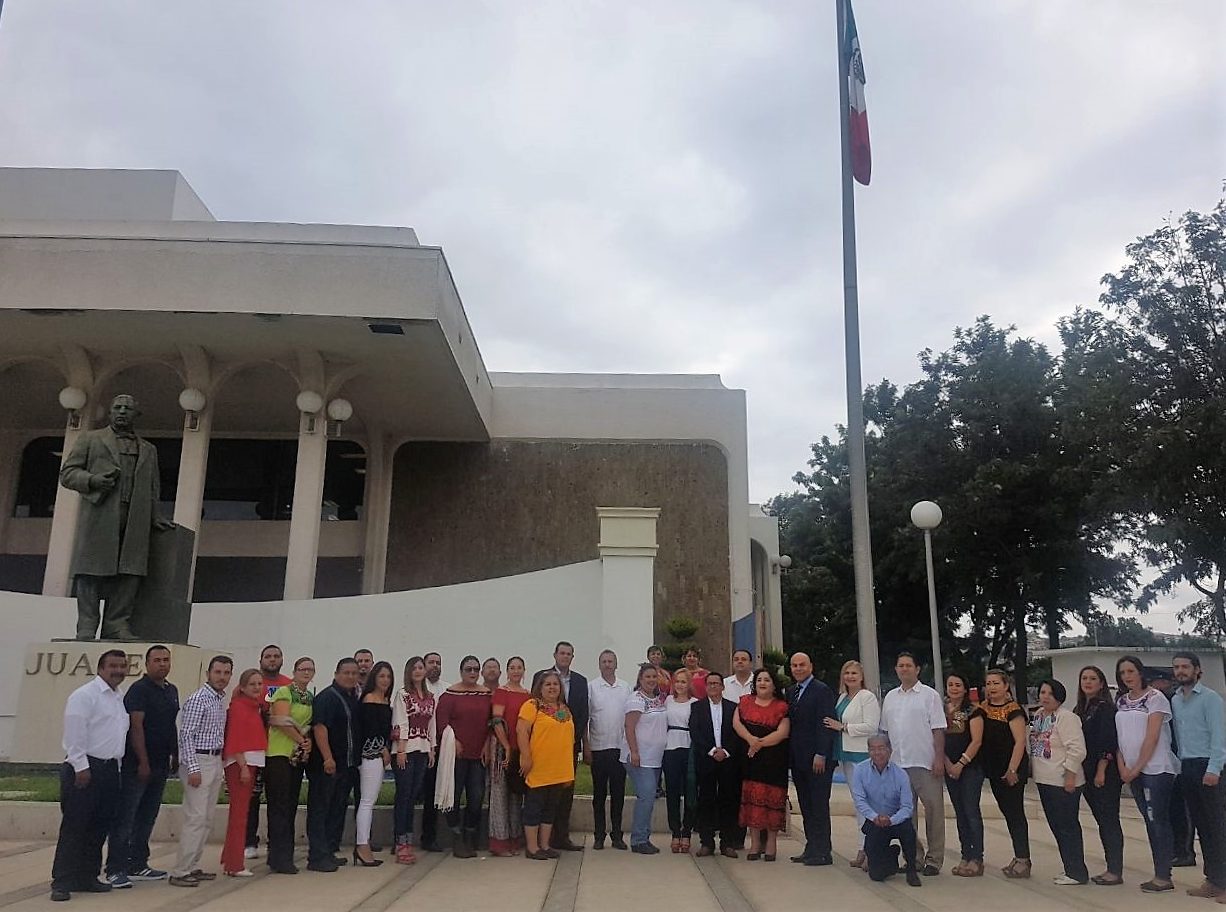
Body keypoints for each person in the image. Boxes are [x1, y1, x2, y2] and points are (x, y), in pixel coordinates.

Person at [58, 394, 174, 640]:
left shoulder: (148, 449)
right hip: (102, 514)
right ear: (110, 413)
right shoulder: (91, 439)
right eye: (117, 408)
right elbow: (68, 473)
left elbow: (154, 488)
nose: (122, 411)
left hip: (136, 517)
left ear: (136, 415)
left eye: (128, 408)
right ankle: (87, 625)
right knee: (90, 571)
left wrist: (155, 516)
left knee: (130, 572)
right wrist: (92, 480)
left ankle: (117, 624)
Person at [50, 649, 130, 902]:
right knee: (75, 826)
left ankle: (87, 877)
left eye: (122, 666)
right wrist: (81, 767)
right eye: (112, 666)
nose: (118, 670)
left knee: (99, 827)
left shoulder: (118, 697)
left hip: (109, 769)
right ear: (101, 668)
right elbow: (75, 733)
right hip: (84, 769)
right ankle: (62, 882)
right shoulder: (85, 696)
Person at [105, 644, 178, 888]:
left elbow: (170, 726)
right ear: (147, 664)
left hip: (160, 765)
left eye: (166, 660)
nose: (162, 664)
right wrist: (143, 762)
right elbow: (136, 726)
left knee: (147, 817)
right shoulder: (139, 690)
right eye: (157, 660)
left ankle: (138, 863)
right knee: (126, 818)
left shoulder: (171, 690)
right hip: (137, 766)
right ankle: (115, 868)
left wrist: (174, 756)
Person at [1116, 654, 1182, 893]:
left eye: (1131, 671)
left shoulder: (1156, 699)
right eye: (1123, 673)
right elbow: (1120, 738)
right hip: (1133, 771)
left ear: (1140, 672)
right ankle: (1159, 872)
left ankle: (1164, 875)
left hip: (1155, 768)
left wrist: (1136, 768)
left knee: (1158, 821)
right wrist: (1123, 766)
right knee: (1148, 820)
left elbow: (1152, 737)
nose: (1127, 677)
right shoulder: (1122, 701)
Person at [879, 652, 946, 876]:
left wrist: (938, 758)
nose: (904, 669)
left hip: (925, 763)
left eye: (909, 665)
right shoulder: (890, 697)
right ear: (896, 670)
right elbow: (885, 733)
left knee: (934, 812)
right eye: (901, 666)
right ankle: (913, 857)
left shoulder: (930, 695)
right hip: (898, 765)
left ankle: (934, 860)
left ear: (918, 669)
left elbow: (938, 729)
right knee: (906, 815)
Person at [170, 655, 233, 888]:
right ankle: (180, 870)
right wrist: (193, 768)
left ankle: (193, 865)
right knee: (195, 818)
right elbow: (186, 735)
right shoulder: (199, 699)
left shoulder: (218, 700)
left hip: (215, 760)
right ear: (208, 673)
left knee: (206, 818)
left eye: (226, 673)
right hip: (199, 759)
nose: (222, 677)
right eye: (218, 672)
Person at [1170, 652, 1226, 900]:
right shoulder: (1176, 700)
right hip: (1187, 768)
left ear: (1197, 670)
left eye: (1185, 666)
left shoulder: (1211, 699)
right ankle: (1213, 880)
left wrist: (1214, 769)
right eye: (1177, 667)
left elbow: (1219, 737)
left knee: (1218, 828)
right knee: (1202, 828)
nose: (1181, 671)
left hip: (1209, 767)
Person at [1029, 679, 1089, 885]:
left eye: (1050, 693)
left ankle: (1077, 872)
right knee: (1056, 826)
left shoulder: (1067, 718)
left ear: (1059, 696)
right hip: (1044, 779)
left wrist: (1070, 776)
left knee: (1068, 826)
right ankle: (1069, 868)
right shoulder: (1038, 716)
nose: (1045, 696)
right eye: (1042, 692)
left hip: (1063, 780)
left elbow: (1078, 749)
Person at [305, 658, 361, 873]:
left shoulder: (352, 697)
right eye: (346, 672)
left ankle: (328, 851)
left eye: (354, 673)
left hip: (346, 766)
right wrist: (328, 758)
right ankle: (316, 857)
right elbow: (320, 728)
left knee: (336, 809)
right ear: (337, 673)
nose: (350, 677)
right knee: (320, 810)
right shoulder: (327, 697)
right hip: (325, 766)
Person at [824, 659, 880, 870]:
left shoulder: (867, 697)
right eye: (846, 673)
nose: (850, 676)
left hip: (861, 756)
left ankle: (870, 849)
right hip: (845, 755)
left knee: (867, 804)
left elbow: (871, 726)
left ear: (862, 676)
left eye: (854, 673)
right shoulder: (842, 697)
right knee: (858, 804)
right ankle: (863, 847)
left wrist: (844, 727)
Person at [437, 656, 493, 858]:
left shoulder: (486, 695)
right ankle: (456, 836)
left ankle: (470, 835)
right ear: (461, 671)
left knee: (476, 797)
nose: (472, 672)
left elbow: (490, 723)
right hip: (456, 755)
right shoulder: (449, 695)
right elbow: (441, 723)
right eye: (468, 669)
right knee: (452, 796)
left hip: (478, 755)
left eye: (476, 669)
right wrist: (455, 742)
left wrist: (487, 744)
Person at [518, 670, 577, 860]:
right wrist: (525, 757)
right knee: (534, 807)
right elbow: (521, 731)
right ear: (540, 687)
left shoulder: (564, 709)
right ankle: (532, 847)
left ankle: (545, 845)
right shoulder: (531, 705)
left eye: (555, 684)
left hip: (559, 769)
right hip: (539, 768)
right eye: (548, 684)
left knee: (550, 809)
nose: (552, 687)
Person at [733, 668, 791, 862]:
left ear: (774, 684)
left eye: (767, 680)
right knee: (752, 800)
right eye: (759, 680)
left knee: (772, 800)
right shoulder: (744, 702)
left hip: (774, 761)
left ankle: (771, 843)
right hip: (750, 760)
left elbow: (782, 732)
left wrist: (758, 744)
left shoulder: (782, 706)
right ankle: (755, 843)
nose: (762, 683)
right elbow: (737, 724)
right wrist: (751, 740)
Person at [1074, 665, 1124, 886]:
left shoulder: (1106, 709)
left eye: (1093, 678)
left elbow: (1109, 741)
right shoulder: (1080, 709)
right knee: (1102, 821)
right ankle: (1110, 866)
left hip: (1103, 772)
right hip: (1086, 771)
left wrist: (1102, 770)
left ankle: (1115, 870)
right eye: (1084, 678)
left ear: (1101, 683)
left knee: (1109, 820)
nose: (1088, 682)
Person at [979, 667, 1031, 879]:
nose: (992, 688)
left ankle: (1023, 858)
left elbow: (1020, 742)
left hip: (1011, 770)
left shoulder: (1014, 710)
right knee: (1008, 813)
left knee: (1016, 813)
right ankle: (1018, 856)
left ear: (1006, 686)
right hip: (994, 770)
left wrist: (1012, 769)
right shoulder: (983, 708)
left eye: (996, 683)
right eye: (989, 683)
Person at [264, 656, 315, 875]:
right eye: (302, 669)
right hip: (279, 754)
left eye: (310, 669)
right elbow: (281, 721)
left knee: (291, 805)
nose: (306, 672)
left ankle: (285, 854)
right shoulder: (282, 692)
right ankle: (278, 857)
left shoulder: (310, 697)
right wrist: (301, 740)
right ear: (294, 671)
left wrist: (306, 742)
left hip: (295, 757)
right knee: (279, 807)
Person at [851, 735, 923, 888]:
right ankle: (891, 854)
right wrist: (874, 817)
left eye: (882, 748)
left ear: (890, 751)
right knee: (876, 875)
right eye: (873, 749)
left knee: (909, 831)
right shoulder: (860, 770)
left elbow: (907, 807)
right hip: (874, 821)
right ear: (868, 751)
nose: (878, 753)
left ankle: (911, 870)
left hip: (896, 820)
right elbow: (859, 801)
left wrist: (892, 820)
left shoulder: (901, 774)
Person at [786, 651, 836, 866]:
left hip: (818, 760)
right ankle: (811, 846)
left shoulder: (822, 690)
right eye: (794, 665)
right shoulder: (791, 691)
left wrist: (821, 753)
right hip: (798, 759)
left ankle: (823, 850)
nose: (798, 668)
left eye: (802, 665)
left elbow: (825, 723)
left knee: (819, 805)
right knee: (806, 805)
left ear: (811, 667)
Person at [244, 644, 291, 860]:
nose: (272, 660)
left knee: (278, 798)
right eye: (268, 656)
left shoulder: (287, 685)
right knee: (251, 797)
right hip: (253, 748)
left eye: (276, 656)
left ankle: (276, 842)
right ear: (260, 659)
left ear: (282, 660)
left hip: (277, 751)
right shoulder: (249, 684)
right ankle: (249, 841)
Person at [690, 672, 744, 858]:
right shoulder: (697, 707)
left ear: (723, 687)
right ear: (705, 687)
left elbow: (738, 733)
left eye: (716, 683)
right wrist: (713, 751)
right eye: (710, 683)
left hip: (729, 761)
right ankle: (707, 842)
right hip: (706, 761)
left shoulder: (733, 708)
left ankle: (727, 843)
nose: (713, 686)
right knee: (706, 801)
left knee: (728, 801)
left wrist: (725, 751)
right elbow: (695, 733)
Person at [221, 669, 268, 877]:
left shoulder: (254, 707)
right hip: (242, 764)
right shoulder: (239, 708)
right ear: (242, 687)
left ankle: (229, 857)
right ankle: (234, 864)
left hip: (250, 762)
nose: (257, 687)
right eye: (252, 684)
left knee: (241, 813)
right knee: (239, 815)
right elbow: (235, 739)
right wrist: (242, 767)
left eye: (259, 684)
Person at [391, 657, 436, 864]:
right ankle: (401, 843)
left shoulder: (430, 696)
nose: (418, 671)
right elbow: (401, 721)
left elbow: (431, 724)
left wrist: (432, 749)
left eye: (421, 667)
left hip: (422, 749)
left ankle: (407, 839)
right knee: (404, 796)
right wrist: (401, 749)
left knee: (413, 796)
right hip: (405, 750)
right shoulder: (403, 695)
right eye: (414, 668)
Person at [586, 650, 631, 851]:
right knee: (599, 795)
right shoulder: (592, 688)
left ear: (616, 664)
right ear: (599, 664)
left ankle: (617, 835)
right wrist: (586, 746)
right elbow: (587, 719)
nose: (607, 664)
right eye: (603, 661)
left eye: (610, 661)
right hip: (598, 748)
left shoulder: (625, 687)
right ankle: (598, 835)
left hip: (619, 749)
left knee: (618, 794)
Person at [942, 672, 985, 877]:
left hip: (970, 769)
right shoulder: (941, 709)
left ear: (965, 688)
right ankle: (965, 855)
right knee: (960, 813)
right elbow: (936, 736)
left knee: (971, 811)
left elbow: (976, 741)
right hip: (949, 768)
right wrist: (947, 763)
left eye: (958, 684)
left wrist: (960, 764)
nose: (954, 688)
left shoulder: (973, 711)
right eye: (950, 684)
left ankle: (976, 857)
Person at [1153, 671, 1198, 868]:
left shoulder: (1175, 700)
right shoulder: (1161, 700)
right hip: (1167, 761)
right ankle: (1176, 850)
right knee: (1170, 809)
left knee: (1182, 810)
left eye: (1155, 681)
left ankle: (1185, 851)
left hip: (1182, 760)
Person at [623, 663, 668, 854]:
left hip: (655, 758)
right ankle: (638, 839)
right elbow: (629, 727)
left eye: (654, 677)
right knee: (647, 797)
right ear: (640, 680)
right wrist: (634, 752)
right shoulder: (635, 700)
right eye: (647, 677)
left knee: (649, 798)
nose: (651, 680)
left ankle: (645, 837)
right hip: (640, 758)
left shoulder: (659, 699)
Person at [490, 656, 531, 856]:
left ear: (524, 670)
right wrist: (505, 745)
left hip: (521, 750)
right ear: (507, 671)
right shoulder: (501, 692)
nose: (516, 671)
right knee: (500, 796)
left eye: (519, 668)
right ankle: (499, 842)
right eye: (512, 667)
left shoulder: (529, 695)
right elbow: (496, 721)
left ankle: (515, 838)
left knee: (516, 796)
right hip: (502, 750)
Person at [549, 641, 587, 852]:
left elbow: (583, 713)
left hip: (570, 745)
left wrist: (575, 738)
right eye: (561, 653)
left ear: (573, 657)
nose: (565, 657)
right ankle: (545, 836)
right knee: (547, 790)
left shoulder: (580, 681)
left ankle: (562, 837)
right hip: (547, 746)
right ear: (555, 655)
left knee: (566, 791)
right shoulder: (542, 677)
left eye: (569, 654)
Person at [354, 661, 392, 867]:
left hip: (378, 755)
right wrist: (383, 749)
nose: (385, 680)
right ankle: (362, 844)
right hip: (370, 755)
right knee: (367, 801)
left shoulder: (384, 700)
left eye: (388, 676)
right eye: (381, 676)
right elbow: (369, 730)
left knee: (370, 800)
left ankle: (363, 843)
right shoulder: (369, 699)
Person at [662, 668, 697, 854]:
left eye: (684, 682)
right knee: (673, 792)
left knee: (690, 791)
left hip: (689, 749)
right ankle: (675, 831)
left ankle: (687, 832)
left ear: (689, 684)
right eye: (677, 681)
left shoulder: (696, 703)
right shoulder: (668, 701)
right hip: (670, 748)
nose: (680, 685)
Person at [418, 651, 448, 852]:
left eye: (438, 662)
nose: (434, 666)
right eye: (431, 662)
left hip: (441, 748)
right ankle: (401, 838)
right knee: (411, 793)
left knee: (434, 794)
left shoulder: (447, 689)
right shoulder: (415, 688)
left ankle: (430, 838)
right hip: (418, 747)